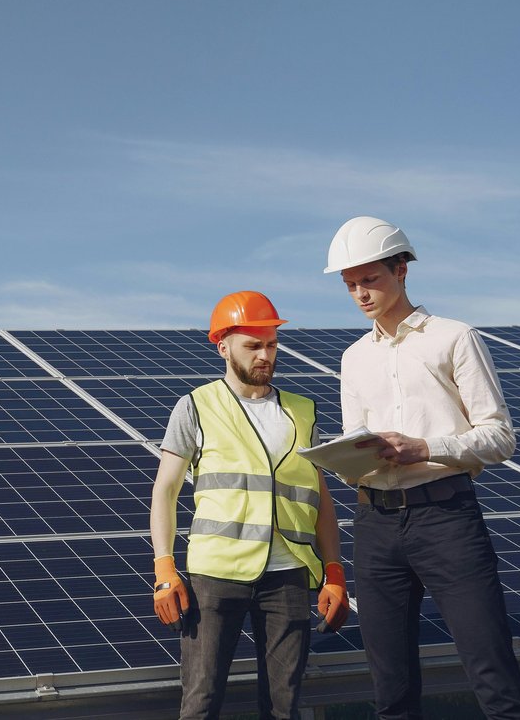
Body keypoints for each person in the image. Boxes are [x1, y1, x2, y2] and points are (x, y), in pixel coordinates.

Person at [325, 216, 520, 720]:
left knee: (492, 674)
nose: (360, 294)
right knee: (391, 688)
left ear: (402, 271)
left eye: (370, 280)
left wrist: (425, 448)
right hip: (374, 526)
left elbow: (500, 436)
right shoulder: (353, 359)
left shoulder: (454, 338)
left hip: (447, 519)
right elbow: (357, 445)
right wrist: (349, 463)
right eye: (351, 285)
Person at [150, 290, 350, 720]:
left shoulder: (302, 412)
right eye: (253, 345)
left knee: (283, 707)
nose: (265, 355)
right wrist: (164, 568)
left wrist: (334, 570)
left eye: (272, 345)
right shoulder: (196, 407)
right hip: (215, 575)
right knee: (201, 702)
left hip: (289, 576)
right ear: (222, 346)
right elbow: (165, 490)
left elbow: (320, 498)